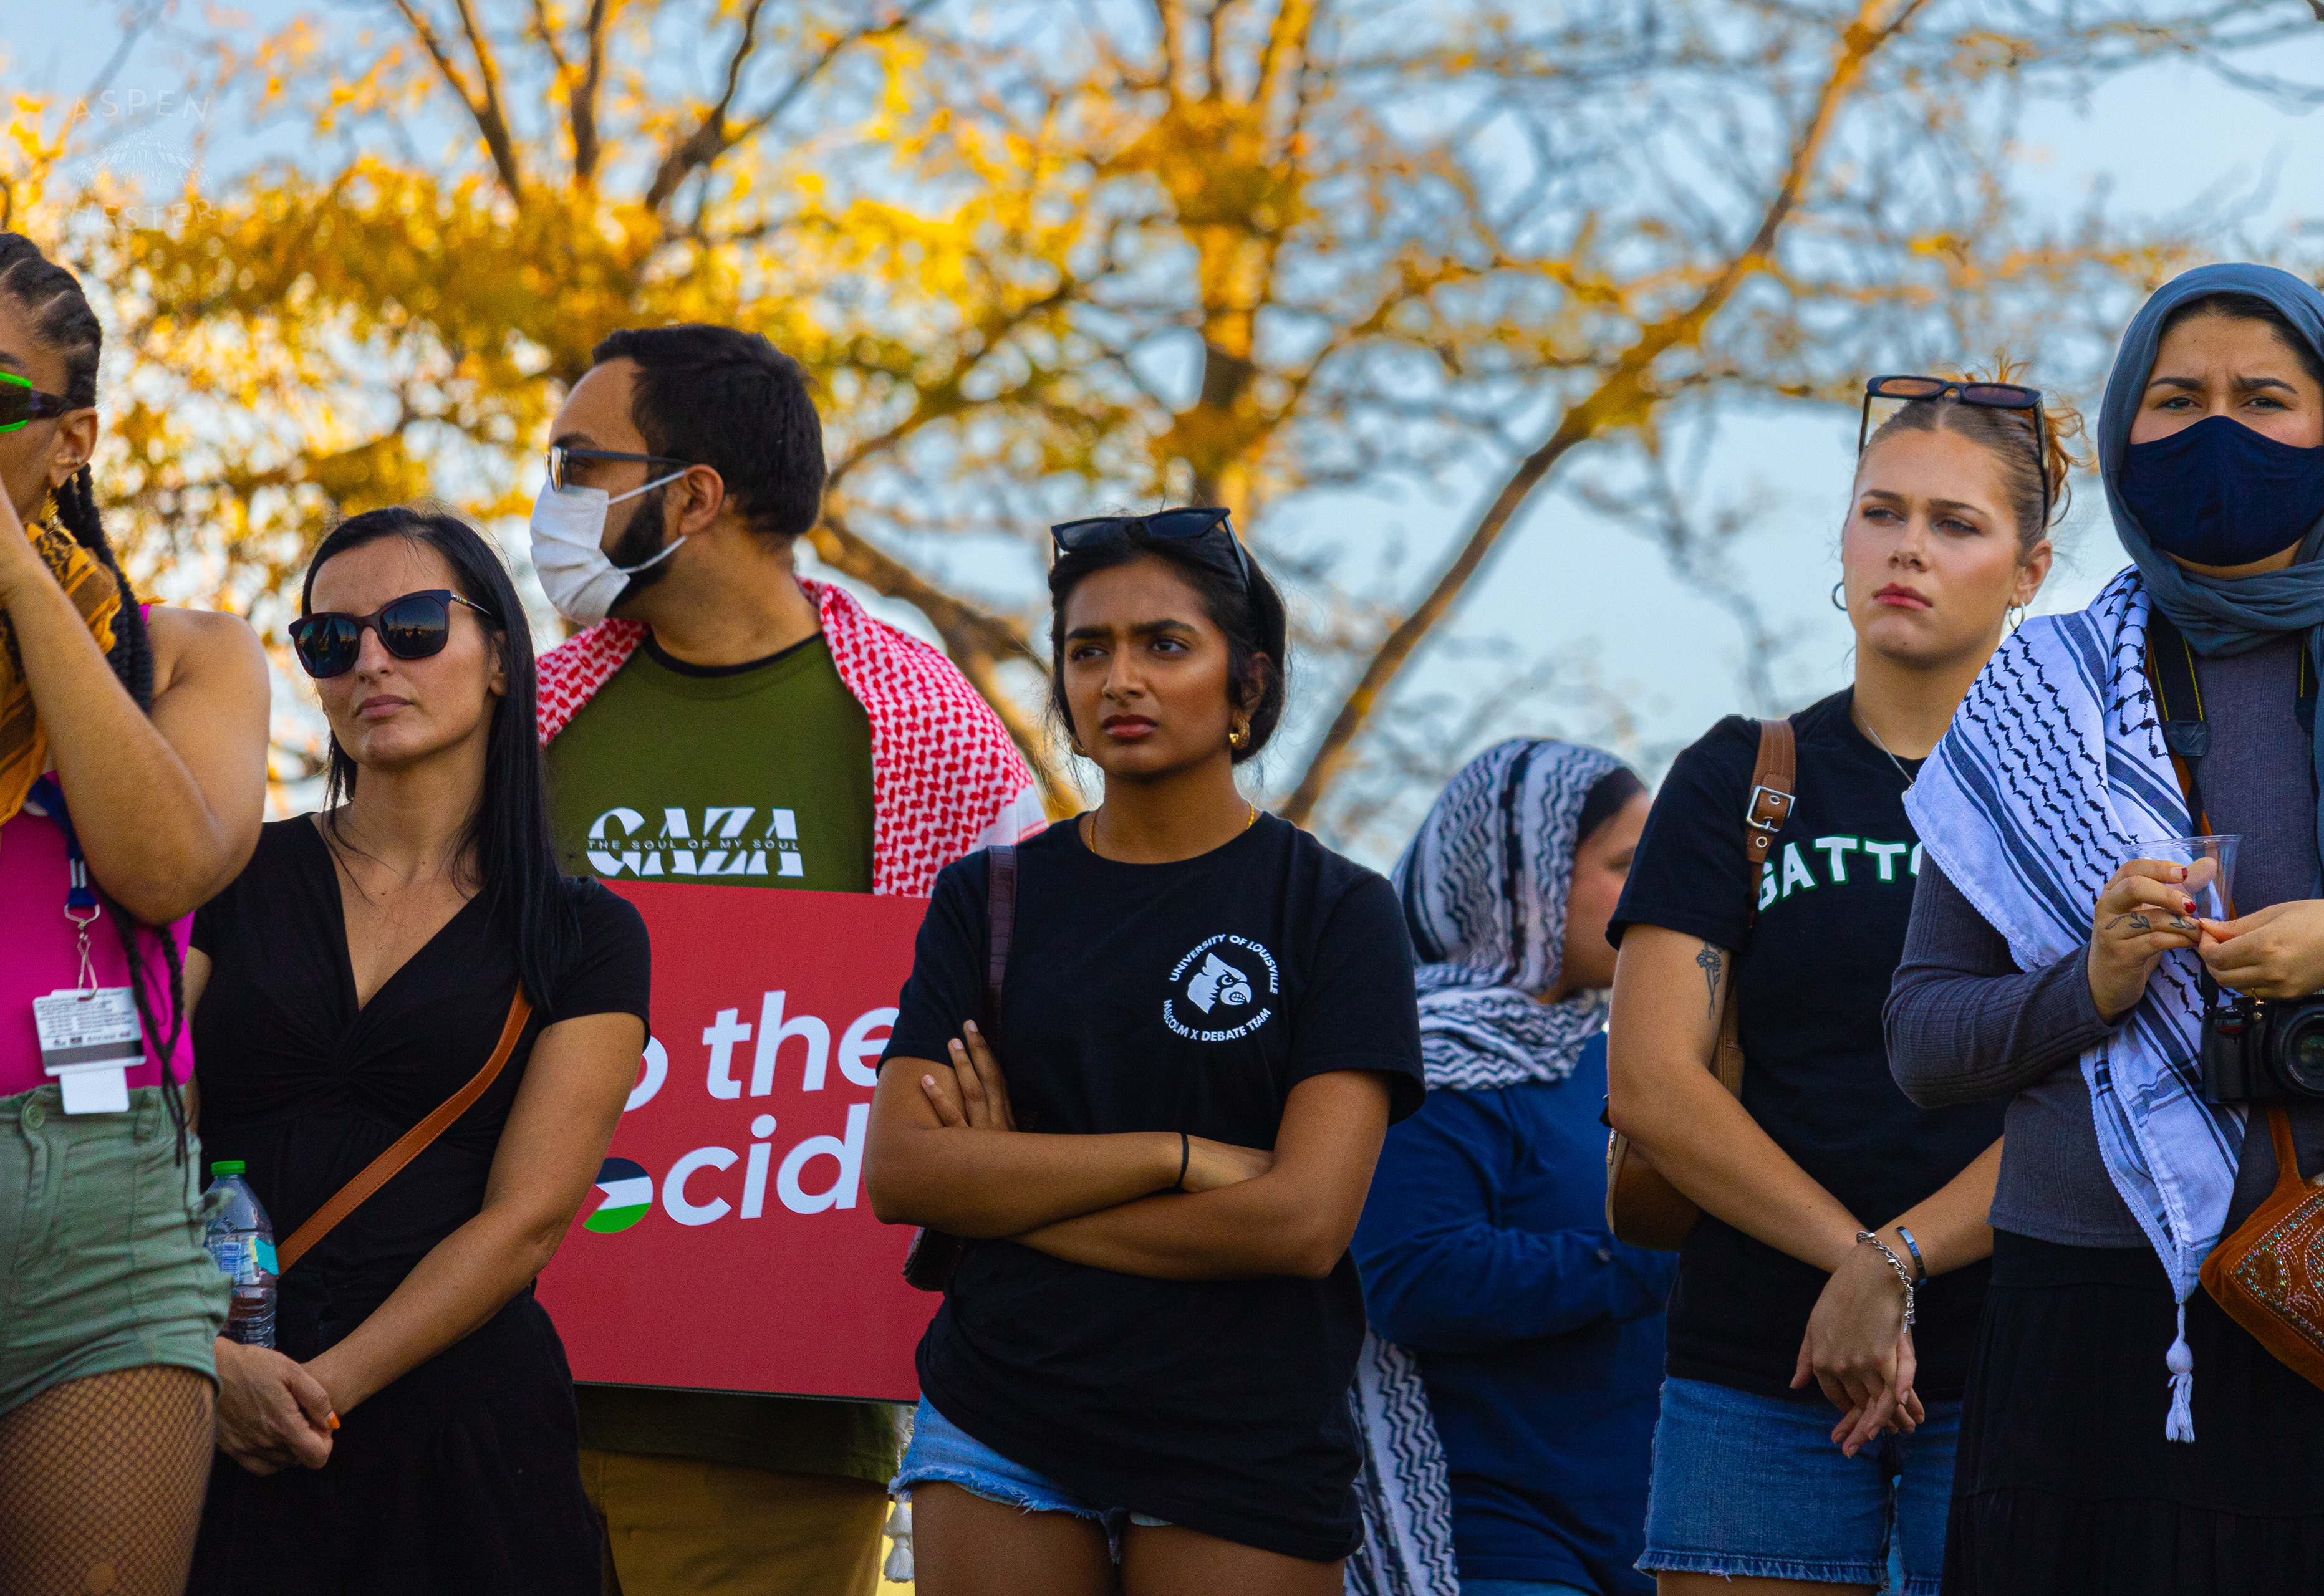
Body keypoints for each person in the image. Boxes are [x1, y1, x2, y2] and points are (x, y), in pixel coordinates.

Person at [1889, 266, 2324, 1593]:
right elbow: (1923, 1042)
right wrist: (2092, 980)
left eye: (2263, 398)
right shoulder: (2031, 693)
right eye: (2178, 400)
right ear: (2122, 430)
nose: (2217, 429)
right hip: (2092, 1322)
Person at [531, 322, 1042, 1596]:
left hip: (783, 1437)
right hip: (507, 1400)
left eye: (580, 464)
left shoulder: (937, 744)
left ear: (693, 496)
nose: (552, 499)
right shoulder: (519, 726)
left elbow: (1016, 1052)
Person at [864, 507, 1425, 1594]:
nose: (1120, 679)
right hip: (1000, 1415)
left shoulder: (1336, 910)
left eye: (1165, 645)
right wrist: (1176, 1156)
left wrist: (1010, 1191)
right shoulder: (990, 898)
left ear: (1248, 685)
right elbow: (905, 1172)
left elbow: (1302, 1222)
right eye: (1088, 650)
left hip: (1242, 1434)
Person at [1606, 368, 2077, 1594]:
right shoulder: (1742, 777)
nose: (1907, 548)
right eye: (1883, 511)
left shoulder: (2083, 803)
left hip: (2025, 1360)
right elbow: (1652, 1083)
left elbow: (2105, 1090)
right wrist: (1859, 1267)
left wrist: (1900, 1262)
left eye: (1956, 523)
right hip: (1760, 1370)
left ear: (2027, 571)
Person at [183, 507, 650, 1594]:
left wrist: (318, 1391)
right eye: (330, 640)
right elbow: (143, 1148)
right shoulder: (229, 874)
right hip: (209, 1402)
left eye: (413, 626)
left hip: (460, 1438)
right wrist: (215, 1368)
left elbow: (528, 1220)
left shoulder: (585, 932)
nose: (371, 662)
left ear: (500, 658)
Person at [0, 234, 269, 1596]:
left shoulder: (191, 655)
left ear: (72, 439)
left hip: (96, 1211)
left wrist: (16, 580)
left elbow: (168, 867)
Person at [1351, 739, 1676, 1596]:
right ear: (1519, 883)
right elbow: (1413, 1274)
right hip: (1491, 1529)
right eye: (1623, 864)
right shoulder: (1422, 1056)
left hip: (1646, 1522)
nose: (1655, 889)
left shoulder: (1619, 1059)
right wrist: (1657, 1260)